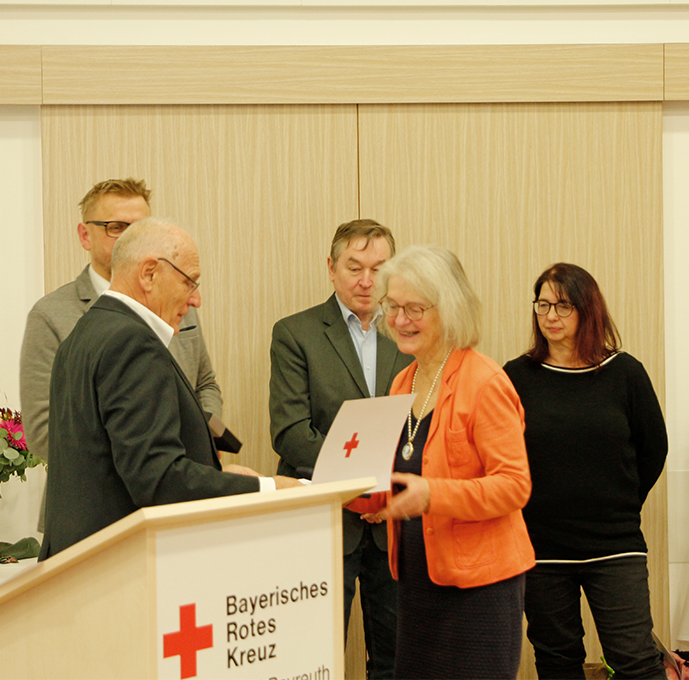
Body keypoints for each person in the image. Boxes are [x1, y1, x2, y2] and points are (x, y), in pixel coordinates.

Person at [39, 218, 299, 559]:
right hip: (121, 570)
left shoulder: (86, 333)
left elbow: (117, 461)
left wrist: (212, 473)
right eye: (190, 282)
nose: (197, 299)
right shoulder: (131, 343)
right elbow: (157, 478)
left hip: (85, 565)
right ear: (149, 274)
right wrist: (268, 487)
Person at [357, 245, 535, 679]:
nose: (399, 320)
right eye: (393, 306)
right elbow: (402, 471)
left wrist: (433, 495)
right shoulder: (404, 380)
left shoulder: (485, 381)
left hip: (480, 591)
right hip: (418, 583)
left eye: (414, 308)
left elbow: (514, 485)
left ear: (450, 309)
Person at [20, 178, 222, 531]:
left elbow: (202, 383)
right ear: (85, 235)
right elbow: (43, 430)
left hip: (178, 498)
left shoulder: (177, 301)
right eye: (116, 227)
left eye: (140, 226)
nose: (130, 235)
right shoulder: (52, 315)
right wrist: (152, 461)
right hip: (107, 517)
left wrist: (199, 455)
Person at [503, 263, 667, 679]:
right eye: (542, 305)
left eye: (563, 306)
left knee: (635, 660)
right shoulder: (516, 377)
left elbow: (653, 448)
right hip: (541, 548)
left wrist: (620, 502)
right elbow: (503, 456)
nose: (551, 316)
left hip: (615, 545)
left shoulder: (624, 372)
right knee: (557, 660)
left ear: (587, 310)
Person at [269, 219, 414, 679]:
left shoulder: (411, 335)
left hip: (393, 520)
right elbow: (291, 433)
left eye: (379, 267)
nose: (367, 280)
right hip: (323, 517)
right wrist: (360, 486)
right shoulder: (296, 333)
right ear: (331, 268)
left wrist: (385, 491)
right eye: (355, 266)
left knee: (395, 657)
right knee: (316, 654)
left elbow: (423, 427)